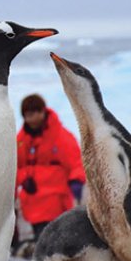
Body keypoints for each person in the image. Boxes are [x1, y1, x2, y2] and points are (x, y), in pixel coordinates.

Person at [15, 94, 85, 238]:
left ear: (42, 112)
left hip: (55, 202)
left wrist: (76, 181)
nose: (29, 119)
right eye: (26, 115)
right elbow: (13, 168)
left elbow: (76, 162)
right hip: (32, 203)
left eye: (32, 114)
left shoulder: (61, 136)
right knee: (42, 242)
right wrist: (22, 180)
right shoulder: (21, 140)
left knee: (54, 240)